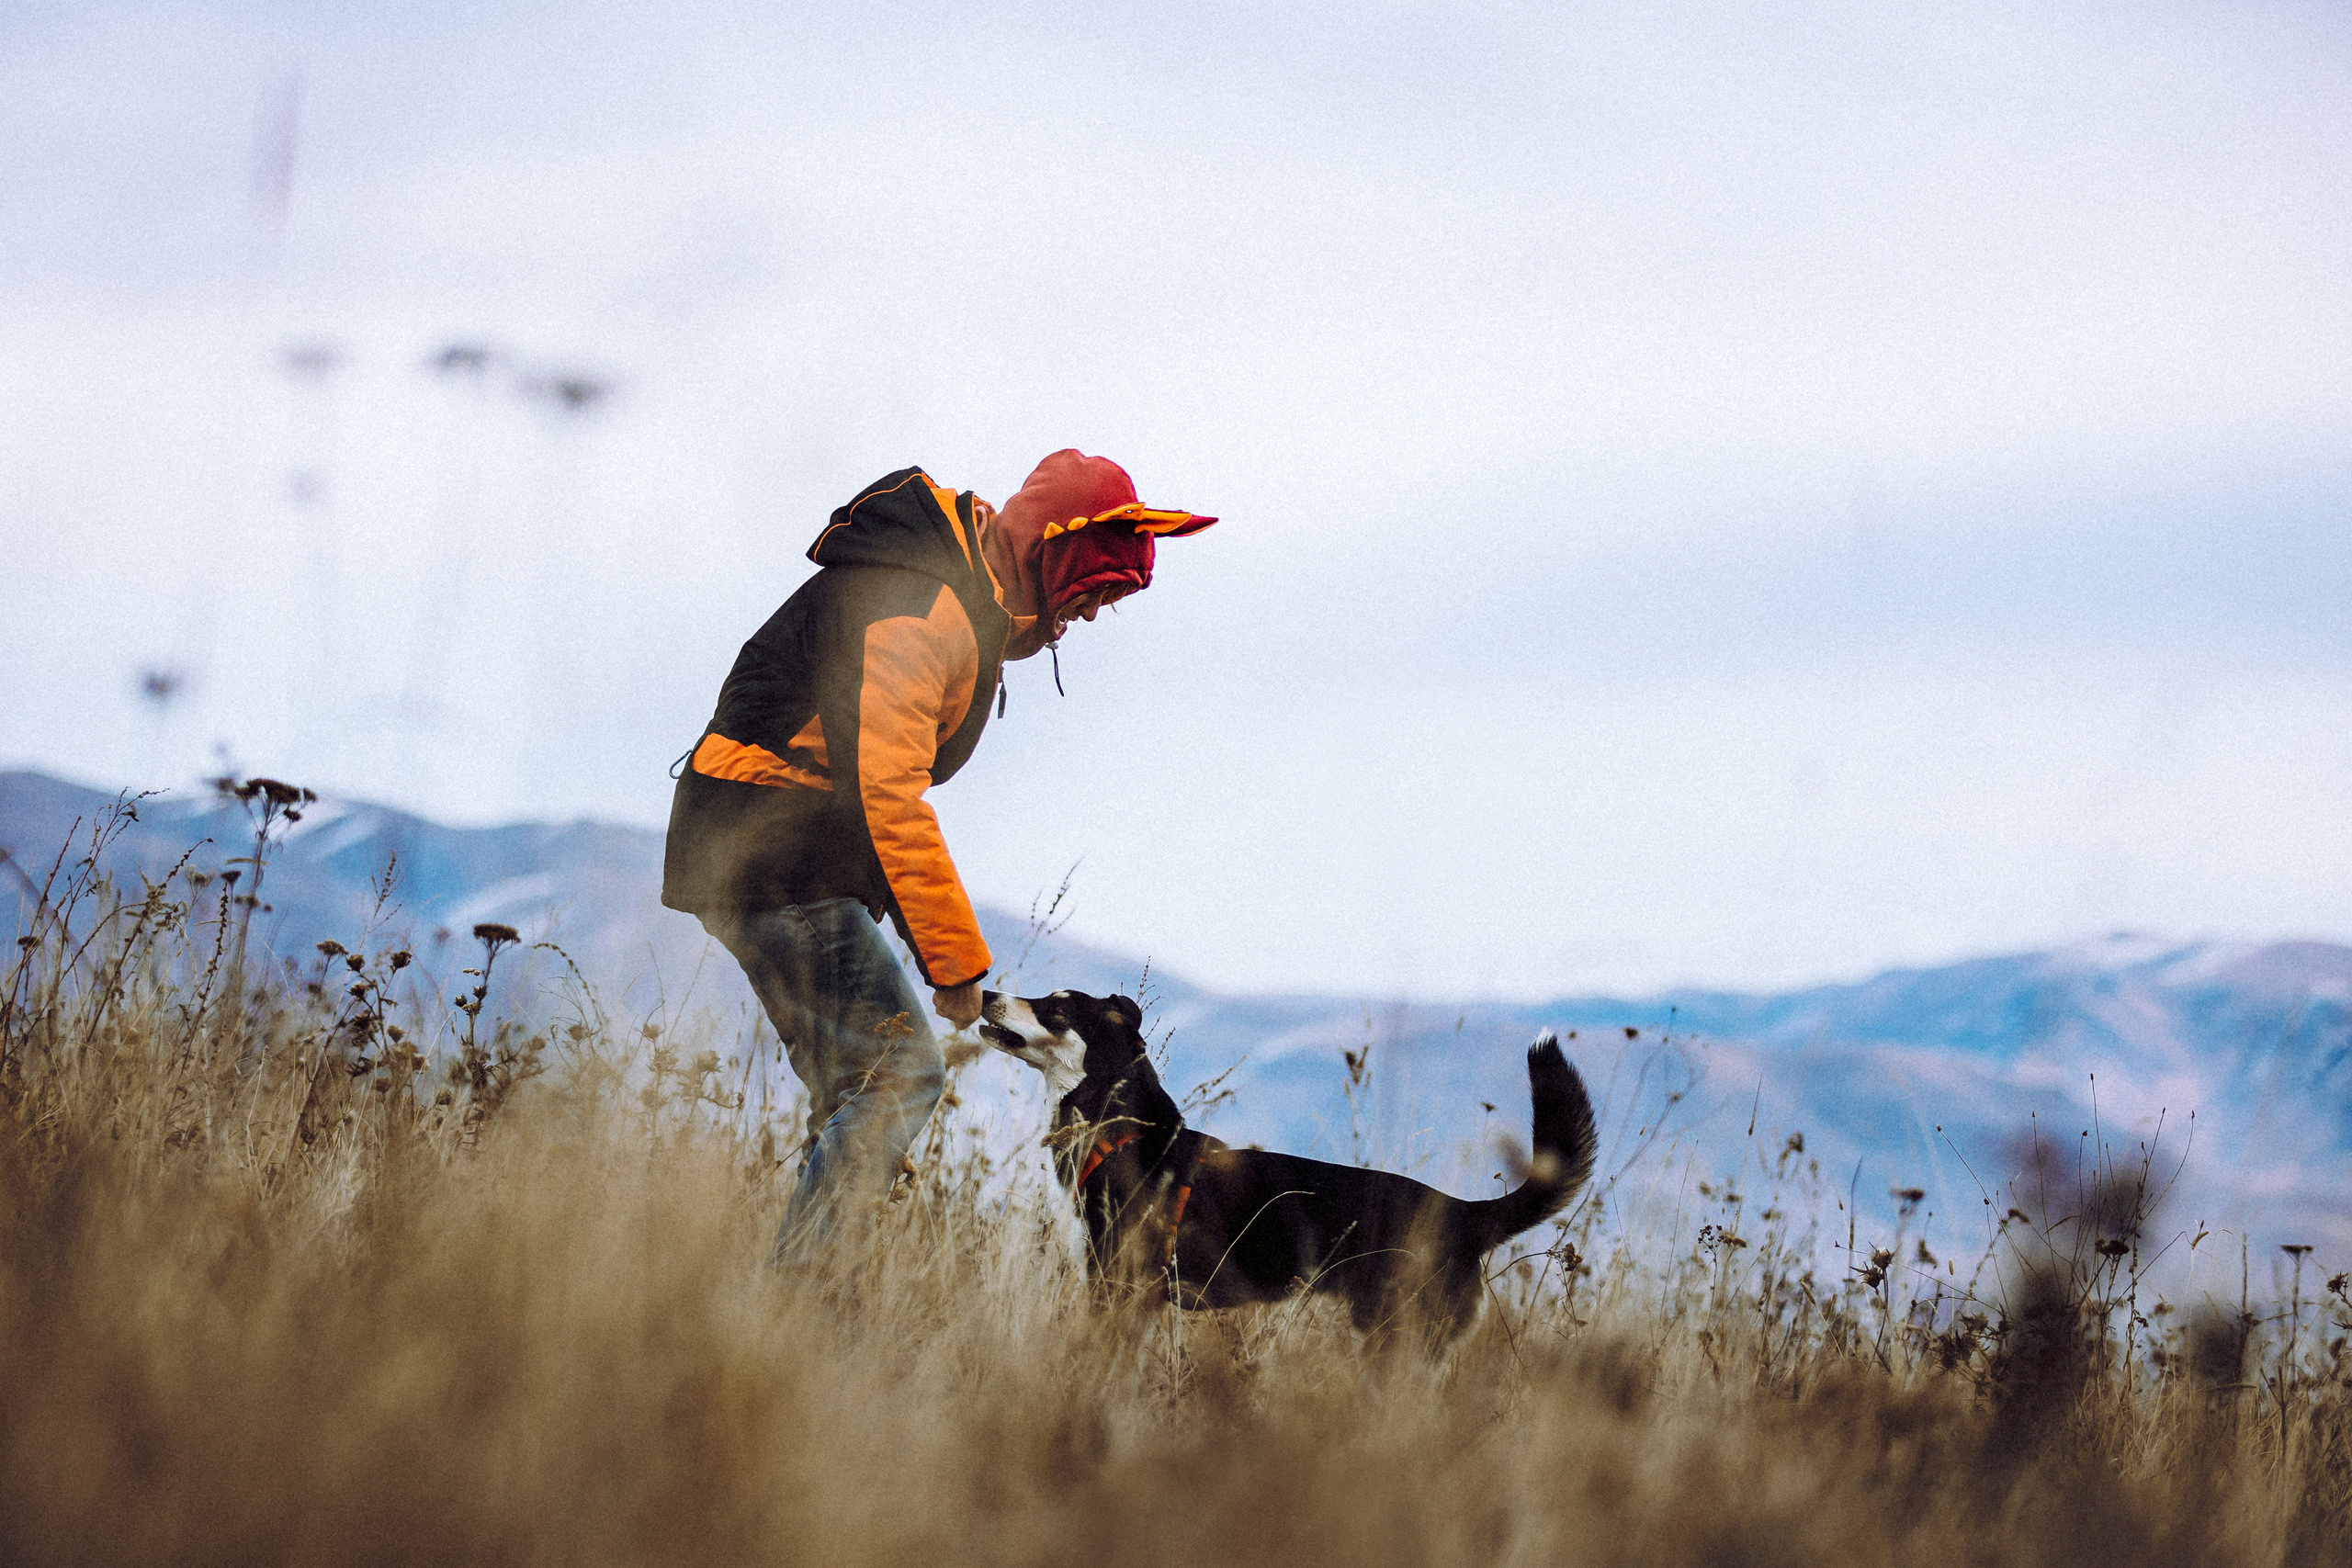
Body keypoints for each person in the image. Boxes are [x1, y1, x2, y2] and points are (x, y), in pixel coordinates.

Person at [661, 452, 1216, 1259]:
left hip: (766, 847)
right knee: (899, 1076)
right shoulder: (921, 604)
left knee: (857, 1091)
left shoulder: (959, 598)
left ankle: (809, 1311)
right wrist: (953, 962)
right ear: (1049, 552)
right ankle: (799, 1298)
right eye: (1095, 589)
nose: (1095, 614)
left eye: (1111, 599)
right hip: (768, 853)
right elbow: (886, 790)